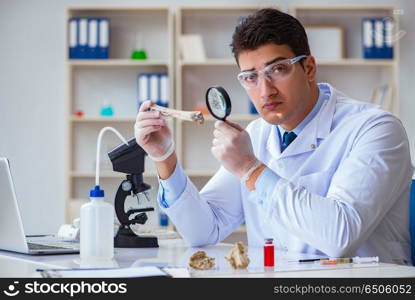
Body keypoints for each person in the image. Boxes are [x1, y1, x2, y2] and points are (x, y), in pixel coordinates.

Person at [134, 8, 413, 265]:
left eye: (277, 70)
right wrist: (165, 158)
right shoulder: (257, 134)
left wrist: (251, 169)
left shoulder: (375, 128)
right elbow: (205, 230)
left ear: (309, 68)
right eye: (250, 77)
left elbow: (339, 236)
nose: (265, 90)